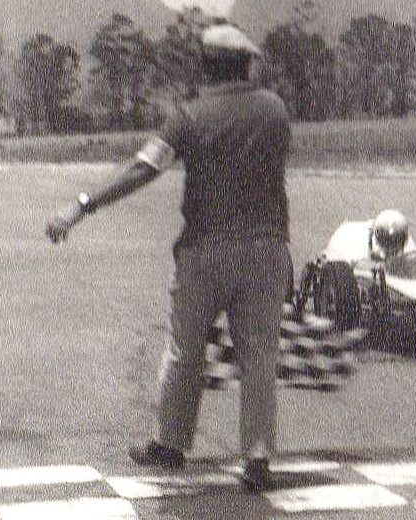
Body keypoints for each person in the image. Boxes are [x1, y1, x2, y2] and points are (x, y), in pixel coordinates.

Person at [46, 23, 291, 492]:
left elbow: (142, 170)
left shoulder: (189, 116)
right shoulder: (275, 110)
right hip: (266, 248)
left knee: (185, 350)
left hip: (205, 249)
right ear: (246, 65)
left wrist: (81, 205)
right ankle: (258, 457)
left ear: (207, 67)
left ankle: (170, 444)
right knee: (259, 355)